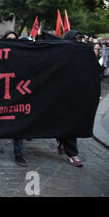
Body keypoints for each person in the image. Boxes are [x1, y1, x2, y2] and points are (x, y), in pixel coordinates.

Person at [0, 30, 28, 167]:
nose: (12, 41)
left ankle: (19, 154)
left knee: (18, 123)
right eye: (9, 39)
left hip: (17, 93)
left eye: (14, 39)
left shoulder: (21, 53)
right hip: (1, 92)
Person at [56, 30, 85, 167]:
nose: (78, 42)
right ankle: (66, 147)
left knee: (71, 124)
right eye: (76, 39)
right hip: (60, 95)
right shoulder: (60, 54)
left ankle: (69, 150)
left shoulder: (82, 55)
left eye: (80, 39)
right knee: (62, 122)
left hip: (76, 96)